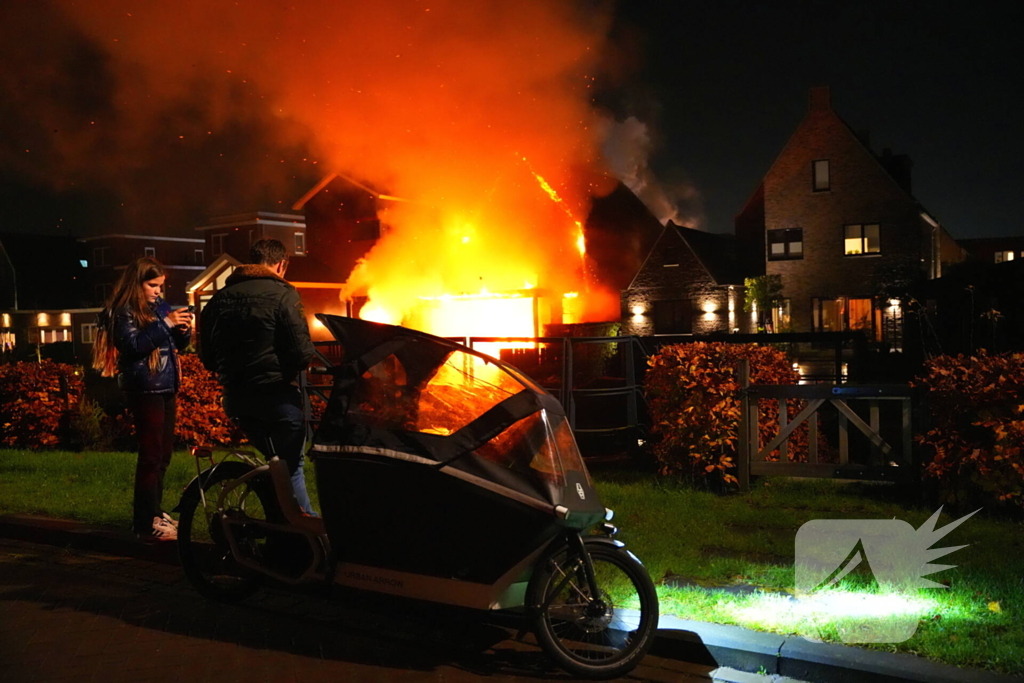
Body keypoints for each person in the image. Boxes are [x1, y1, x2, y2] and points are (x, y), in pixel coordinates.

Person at [199, 239, 317, 514]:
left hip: (236, 398)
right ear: (281, 264)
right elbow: (302, 353)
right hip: (276, 397)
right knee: (291, 467)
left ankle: (280, 528)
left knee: (273, 463)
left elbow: (208, 357)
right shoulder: (284, 295)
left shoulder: (218, 299)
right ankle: (307, 537)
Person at [93, 257, 193, 542]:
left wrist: (183, 330)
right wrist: (166, 323)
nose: (158, 291)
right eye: (152, 285)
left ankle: (155, 513)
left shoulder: (158, 307)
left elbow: (174, 345)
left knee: (163, 456)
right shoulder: (122, 311)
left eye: (160, 285)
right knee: (150, 456)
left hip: (165, 385)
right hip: (144, 387)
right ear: (136, 283)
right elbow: (133, 346)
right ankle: (144, 521)